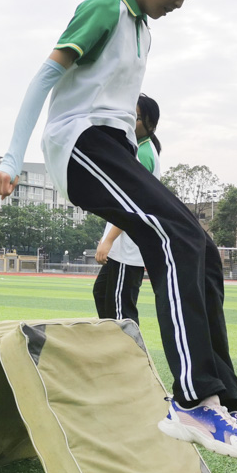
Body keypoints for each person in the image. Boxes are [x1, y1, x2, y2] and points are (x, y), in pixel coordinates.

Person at [0, 0, 237, 464]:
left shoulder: (143, 29)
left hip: (115, 150)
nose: (182, 2)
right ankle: (192, 402)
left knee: (200, 246)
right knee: (173, 237)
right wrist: (10, 158)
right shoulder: (106, 7)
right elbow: (44, 78)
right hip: (81, 145)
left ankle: (225, 402)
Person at [93, 94, 162, 325]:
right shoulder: (136, 147)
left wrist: (109, 240)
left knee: (121, 311)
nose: (131, 120)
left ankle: (129, 348)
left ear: (151, 125)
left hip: (128, 247)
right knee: (102, 294)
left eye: (137, 117)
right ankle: (112, 344)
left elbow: (132, 205)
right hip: (121, 244)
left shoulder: (143, 154)